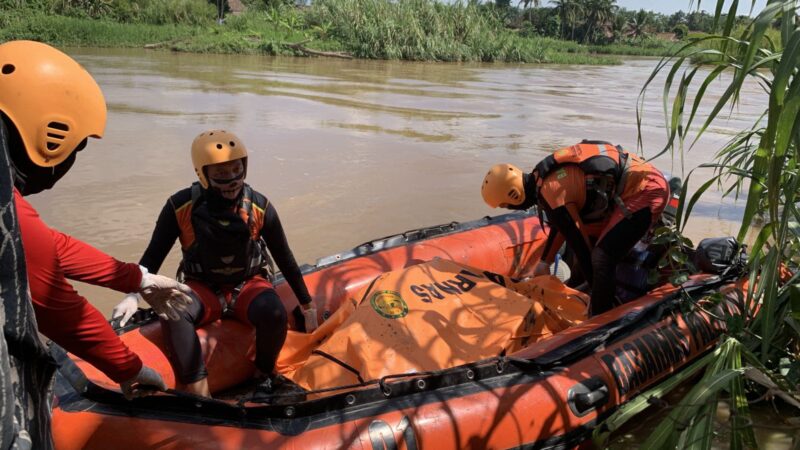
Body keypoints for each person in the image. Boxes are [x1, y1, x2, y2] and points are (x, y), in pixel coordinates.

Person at [0, 40, 194, 440]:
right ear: (48, 132)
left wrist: (138, 279)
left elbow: (42, 244)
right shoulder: (10, 211)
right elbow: (59, 307)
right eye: (78, 147)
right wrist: (131, 370)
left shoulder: (12, 212)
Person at [112, 130, 319, 398]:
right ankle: (201, 393)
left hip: (248, 285)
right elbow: (154, 254)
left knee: (275, 314)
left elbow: (284, 256)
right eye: (221, 175)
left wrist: (307, 304)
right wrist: (132, 292)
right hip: (202, 287)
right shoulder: (180, 206)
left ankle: (265, 375)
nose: (232, 180)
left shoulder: (259, 206)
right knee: (172, 311)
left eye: (237, 170)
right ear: (203, 174)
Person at [481, 140, 669, 316]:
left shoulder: (551, 191)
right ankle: (598, 297)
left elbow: (582, 247)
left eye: (506, 205)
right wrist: (544, 263)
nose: (510, 208)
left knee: (601, 259)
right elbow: (561, 224)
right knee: (594, 254)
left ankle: (601, 318)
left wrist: (596, 294)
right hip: (633, 183)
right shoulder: (541, 179)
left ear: (514, 195)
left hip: (646, 190)